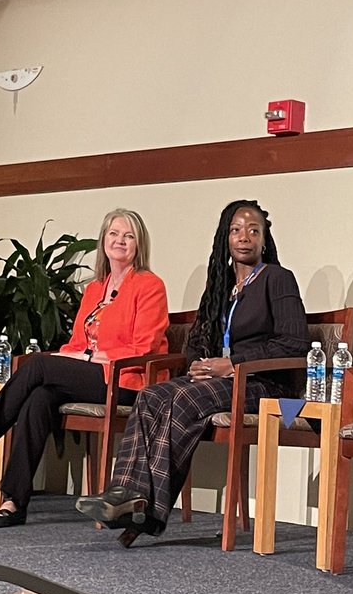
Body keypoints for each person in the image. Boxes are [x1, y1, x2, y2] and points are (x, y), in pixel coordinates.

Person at [76, 199, 310, 546]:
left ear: (264, 239)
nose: (244, 236)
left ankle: (148, 509)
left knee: (183, 398)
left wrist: (231, 364)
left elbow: (294, 343)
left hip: (264, 384)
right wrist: (201, 361)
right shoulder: (221, 283)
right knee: (152, 395)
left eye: (253, 230)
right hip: (221, 381)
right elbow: (200, 338)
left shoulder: (277, 279)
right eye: (235, 230)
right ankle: (124, 492)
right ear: (224, 239)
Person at [0, 208, 169, 528]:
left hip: (129, 380)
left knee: (37, 365)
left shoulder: (149, 285)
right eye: (114, 234)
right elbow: (77, 343)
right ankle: (14, 500)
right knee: (39, 399)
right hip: (95, 374)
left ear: (139, 243)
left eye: (128, 235)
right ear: (103, 241)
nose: (120, 241)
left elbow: (145, 347)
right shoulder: (95, 289)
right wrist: (77, 357)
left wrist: (93, 357)